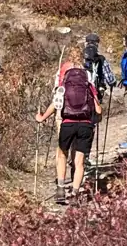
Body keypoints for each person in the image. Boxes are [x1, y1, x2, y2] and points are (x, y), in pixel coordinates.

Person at [37, 62, 101, 203]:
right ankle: (74, 194)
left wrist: (42, 117)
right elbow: (98, 110)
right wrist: (94, 120)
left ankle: (60, 190)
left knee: (62, 155)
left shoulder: (63, 86)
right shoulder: (89, 86)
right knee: (79, 162)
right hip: (85, 126)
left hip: (67, 124)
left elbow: (56, 105)